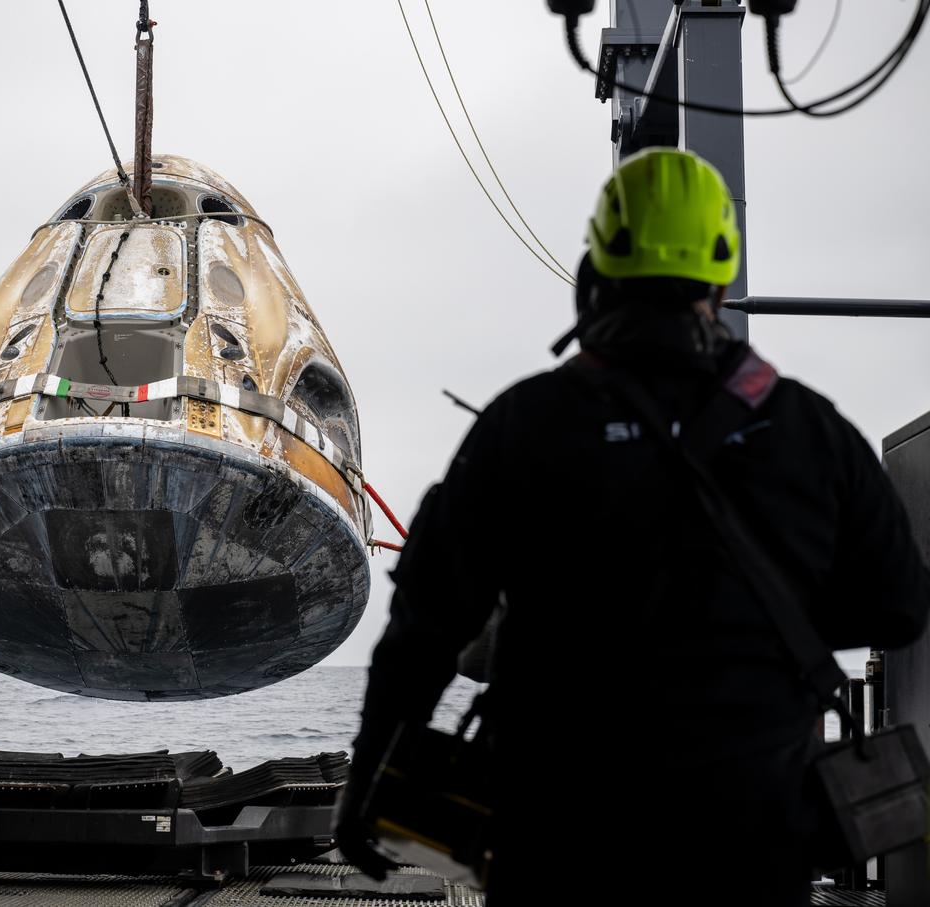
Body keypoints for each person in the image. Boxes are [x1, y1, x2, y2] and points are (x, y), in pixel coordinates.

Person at [334, 148, 930, 905]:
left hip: (559, 841)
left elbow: (424, 630)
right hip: (751, 841)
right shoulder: (810, 429)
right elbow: (900, 606)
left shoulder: (525, 423)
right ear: (720, 270)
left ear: (598, 268)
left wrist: (365, 784)